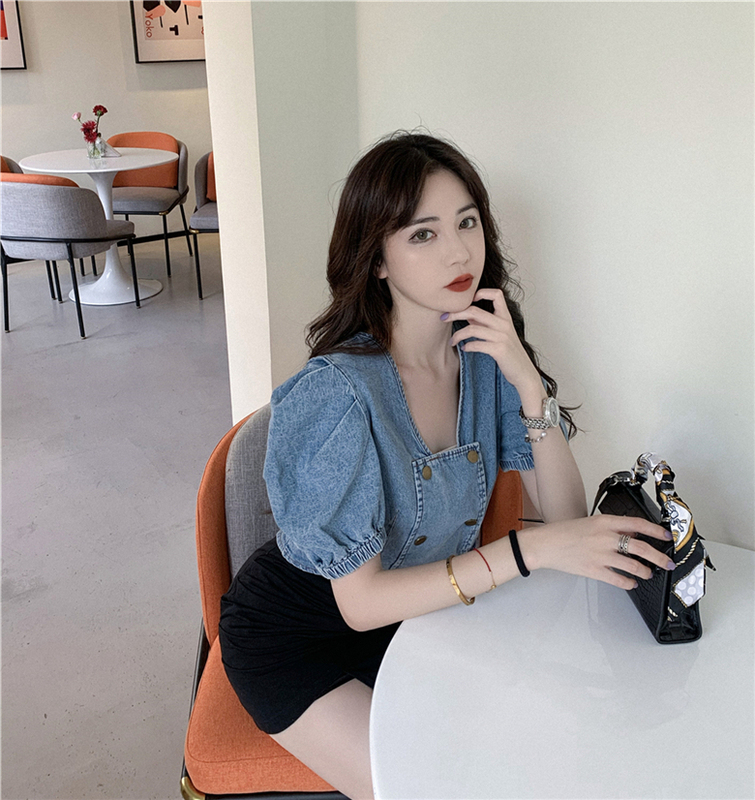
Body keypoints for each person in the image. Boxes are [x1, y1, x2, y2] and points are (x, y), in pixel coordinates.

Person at [218, 131, 674, 800]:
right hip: (300, 634)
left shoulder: (483, 356)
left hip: (422, 617)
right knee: (429, 788)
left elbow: (566, 516)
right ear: (377, 260)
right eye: (422, 234)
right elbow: (362, 603)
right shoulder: (334, 395)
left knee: (542, 753)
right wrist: (528, 550)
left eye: (466, 222)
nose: (459, 251)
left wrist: (527, 384)